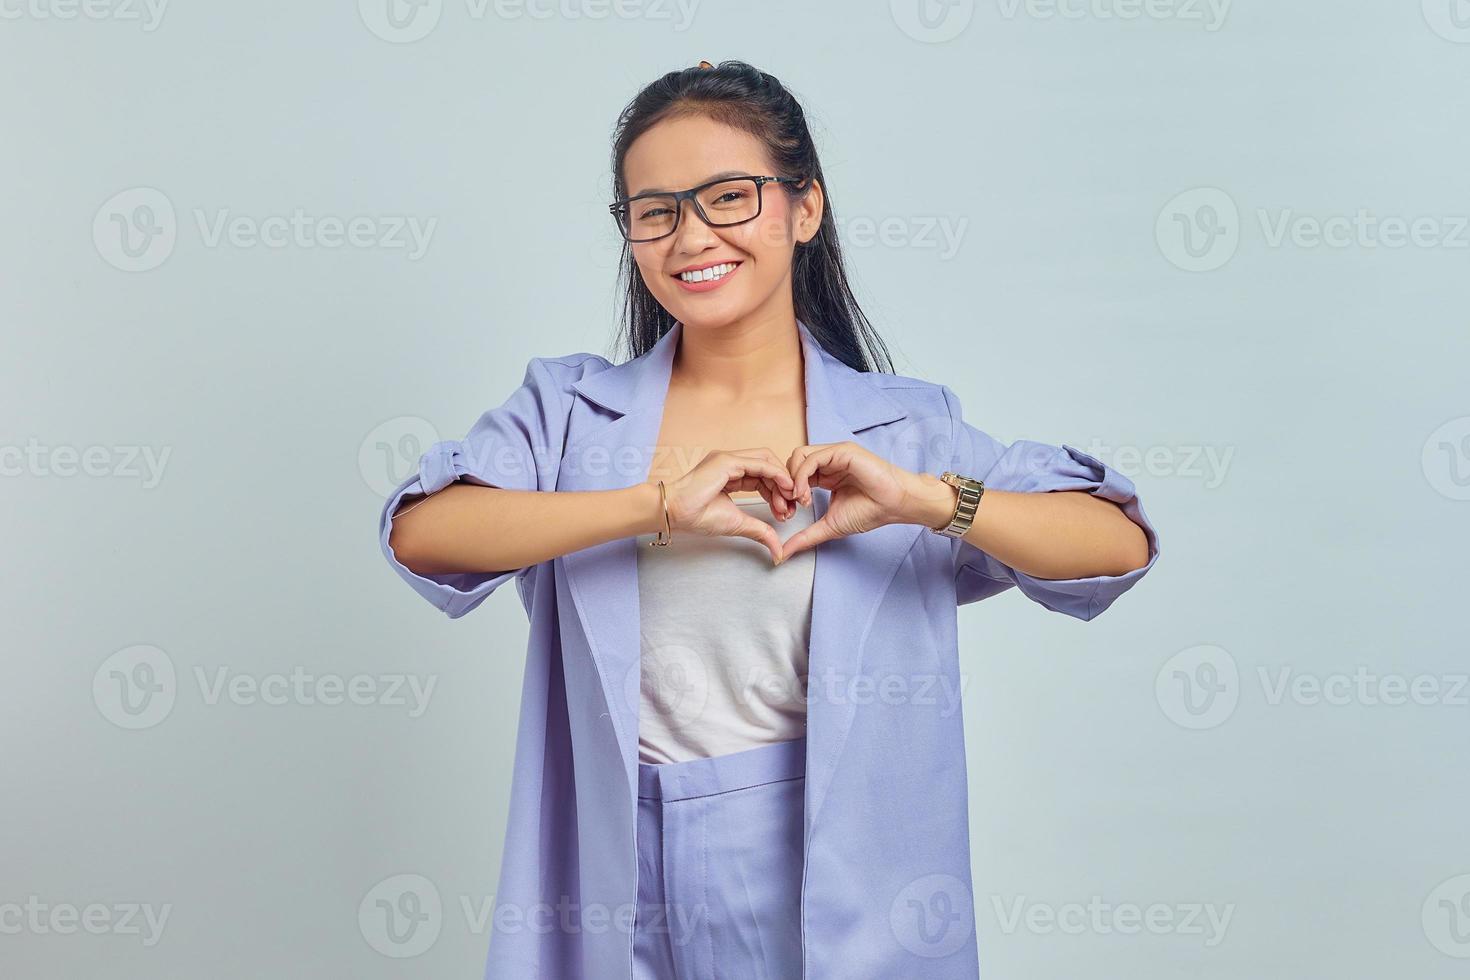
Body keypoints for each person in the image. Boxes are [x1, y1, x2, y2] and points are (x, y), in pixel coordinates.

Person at [378, 59, 1159, 980]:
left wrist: (926, 500)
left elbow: (1116, 541)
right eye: (655, 210)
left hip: (827, 864)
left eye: (729, 197)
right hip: (616, 857)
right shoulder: (571, 410)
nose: (690, 235)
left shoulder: (903, 429)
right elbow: (424, 532)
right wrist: (658, 506)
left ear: (805, 209)